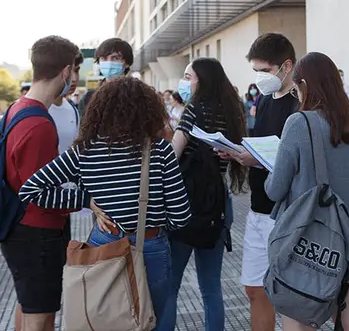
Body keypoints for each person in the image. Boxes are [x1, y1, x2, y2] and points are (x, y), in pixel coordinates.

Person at [18, 76, 192, 324]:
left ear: (99, 111)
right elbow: (181, 216)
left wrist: (85, 200)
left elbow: (30, 189)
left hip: (104, 242)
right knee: (151, 320)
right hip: (150, 246)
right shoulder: (161, 150)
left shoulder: (84, 151)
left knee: (107, 321)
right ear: (148, 111)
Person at [266, 52, 349, 331]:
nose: (296, 95)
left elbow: (274, 190)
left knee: (299, 314)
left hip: (304, 239)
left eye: (295, 89)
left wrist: (272, 168)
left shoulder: (299, 123)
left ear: (304, 85)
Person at [218, 32, 299, 331]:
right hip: (259, 207)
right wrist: (237, 153)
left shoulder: (300, 103)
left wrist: (256, 160)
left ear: (286, 66)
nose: (260, 78)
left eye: (265, 70)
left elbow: (298, 159)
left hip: (288, 212)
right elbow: (263, 145)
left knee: (291, 296)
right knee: (254, 289)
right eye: (255, 71)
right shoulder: (264, 100)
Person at [0, 35, 80, 331]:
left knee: (31, 308)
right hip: (37, 233)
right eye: (73, 71)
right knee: (41, 318)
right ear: (65, 72)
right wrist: (87, 200)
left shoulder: (16, 108)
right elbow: (38, 193)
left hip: (20, 229)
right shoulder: (40, 124)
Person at [162, 58, 248, 331]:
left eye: (189, 77)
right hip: (218, 204)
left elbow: (173, 156)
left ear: (203, 80)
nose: (184, 82)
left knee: (170, 286)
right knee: (211, 287)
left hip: (186, 204)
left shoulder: (193, 110)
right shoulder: (231, 111)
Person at [79, 37, 133, 112]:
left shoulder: (137, 95)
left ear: (126, 63)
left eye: (115, 58)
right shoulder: (89, 98)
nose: (109, 62)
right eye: (103, 58)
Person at [49, 51, 84, 154]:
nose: (74, 78)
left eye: (76, 71)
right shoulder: (34, 111)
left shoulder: (73, 111)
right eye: (68, 71)